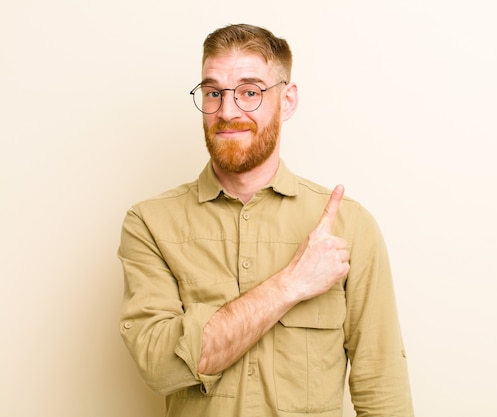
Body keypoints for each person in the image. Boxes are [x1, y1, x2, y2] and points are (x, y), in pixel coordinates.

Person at [118, 23, 414, 417]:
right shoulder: (149, 224)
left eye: (250, 92)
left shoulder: (351, 226)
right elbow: (159, 366)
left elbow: (382, 391)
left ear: (287, 100)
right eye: (213, 93)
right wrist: (292, 284)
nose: (227, 111)